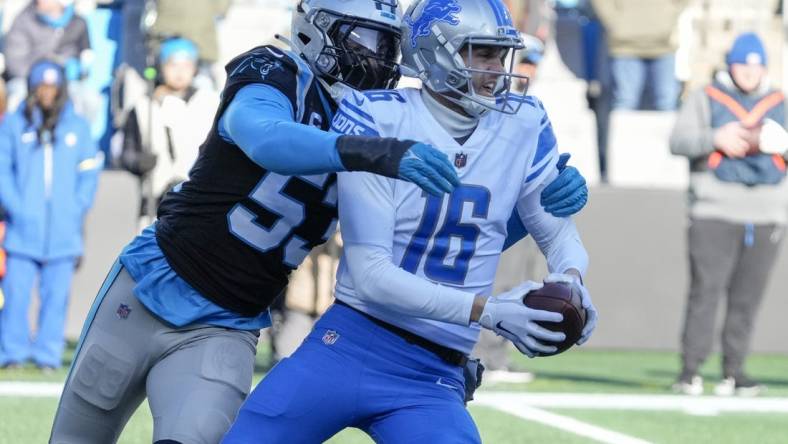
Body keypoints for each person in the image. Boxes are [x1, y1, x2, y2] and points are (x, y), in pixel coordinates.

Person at [50, 1, 588, 443]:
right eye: (367, 41)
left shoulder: (379, 113)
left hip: (231, 318)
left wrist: (532, 207)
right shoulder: (276, 72)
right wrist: (369, 152)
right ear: (318, 31)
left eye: (389, 44)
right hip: (154, 281)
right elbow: (262, 136)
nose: (381, 58)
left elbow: (449, 229)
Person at [223, 0, 597, 441]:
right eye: (482, 53)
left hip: (433, 373)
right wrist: (491, 312)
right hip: (350, 345)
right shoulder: (379, 115)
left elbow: (561, 238)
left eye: (501, 54)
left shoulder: (525, 123)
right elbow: (372, 276)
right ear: (436, 53)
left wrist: (571, 283)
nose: (498, 69)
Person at [670, 32, 788, 397]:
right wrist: (715, 138)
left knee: (747, 298)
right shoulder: (707, 97)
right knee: (706, 292)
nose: (749, 74)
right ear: (730, 65)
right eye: (742, 65)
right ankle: (691, 369)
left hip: (767, 211)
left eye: (756, 66)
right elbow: (678, 141)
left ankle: (734, 369)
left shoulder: (779, 102)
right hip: (715, 209)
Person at [0, 60, 100, 371]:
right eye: (41, 86)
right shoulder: (16, 124)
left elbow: (89, 172)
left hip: (63, 230)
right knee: (15, 294)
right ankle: (11, 352)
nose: (46, 93)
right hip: (22, 229)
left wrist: (76, 205)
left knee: (56, 297)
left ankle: (47, 354)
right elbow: (3, 170)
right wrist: (17, 206)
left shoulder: (77, 126)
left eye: (52, 86)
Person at [118, 37, 219, 228]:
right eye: (173, 65)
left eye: (186, 65)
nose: (180, 72)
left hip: (200, 201)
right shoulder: (143, 106)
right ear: (161, 66)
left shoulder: (209, 103)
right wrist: (138, 161)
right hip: (156, 203)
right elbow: (126, 151)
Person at [2, 0, 97, 118]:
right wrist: (41, 74)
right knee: (16, 96)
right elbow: (15, 61)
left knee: (89, 99)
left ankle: (76, 134)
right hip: (29, 80)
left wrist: (79, 68)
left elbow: (86, 56)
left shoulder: (78, 22)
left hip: (65, 81)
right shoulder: (24, 20)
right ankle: (17, 134)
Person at [591, 0, 688, 111]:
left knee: (667, 102)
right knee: (624, 101)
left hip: (663, 45)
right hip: (624, 47)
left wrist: (668, 16)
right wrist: (616, 23)